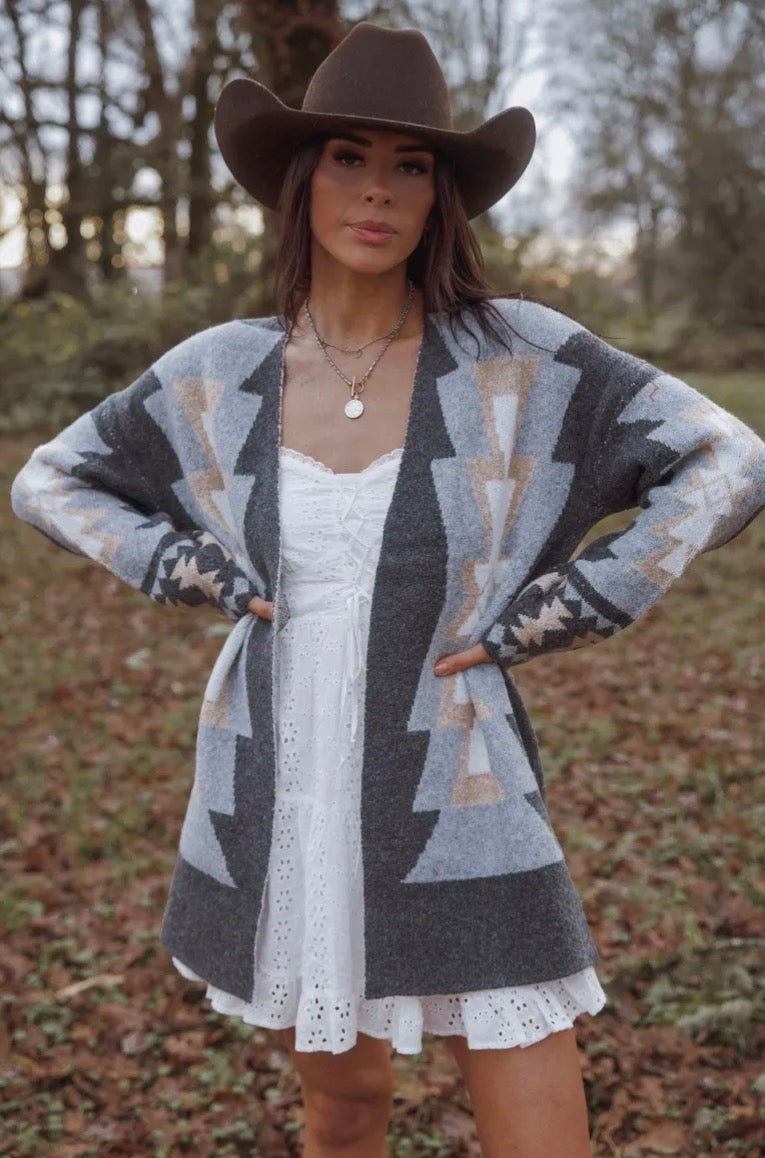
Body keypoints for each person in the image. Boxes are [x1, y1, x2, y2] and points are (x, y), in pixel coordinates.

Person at [10, 21, 765, 1158]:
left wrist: (581, 599)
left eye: (411, 166)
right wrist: (176, 564)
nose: (378, 191)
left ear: (439, 198)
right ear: (301, 180)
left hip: (457, 783)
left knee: (538, 1110)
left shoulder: (522, 360)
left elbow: (728, 459)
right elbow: (50, 479)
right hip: (277, 776)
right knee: (344, 1110)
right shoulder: (219, 373)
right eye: (349, 158)